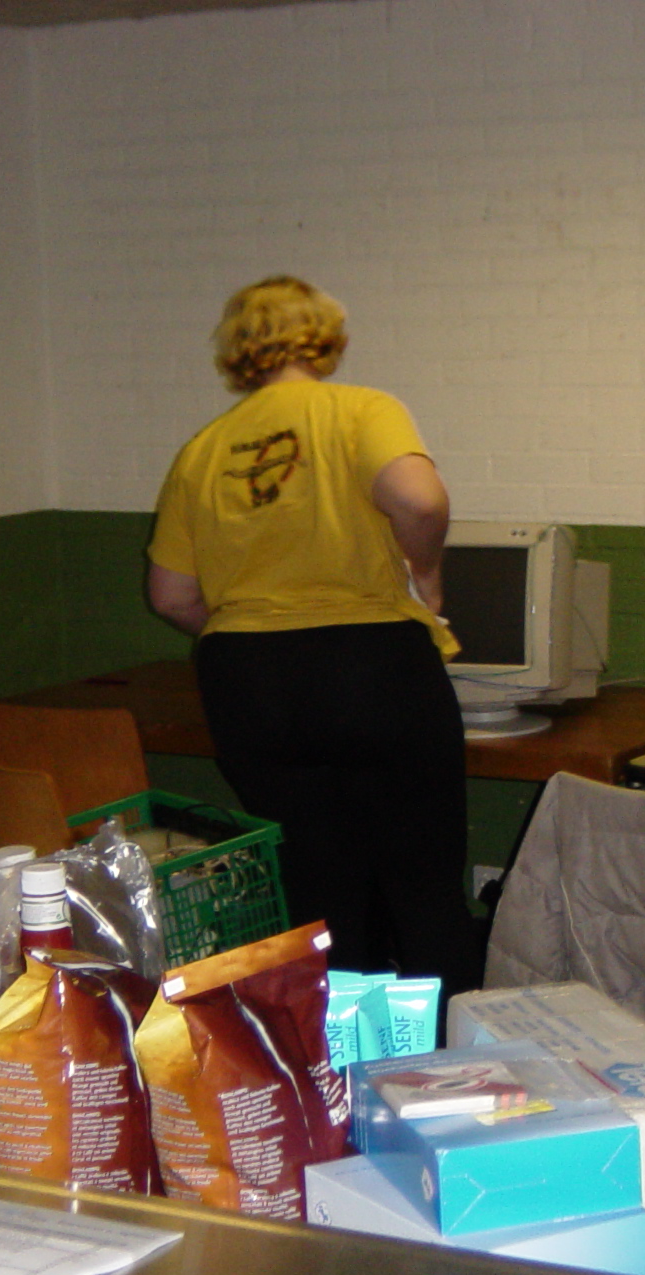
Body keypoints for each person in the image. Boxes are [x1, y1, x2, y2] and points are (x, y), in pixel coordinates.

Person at [146, 275, 478, 999]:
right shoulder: (361, 410)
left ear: (239, 351)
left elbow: (171, 596)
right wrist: (427, 575)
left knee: (318, 894)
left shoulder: (203, 449)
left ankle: (332, 1061)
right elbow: (419, 500)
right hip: (371, 667)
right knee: (422, 885)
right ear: (324, 338)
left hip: (248, 684)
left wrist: (255, 639)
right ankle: (445, 1057)